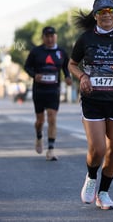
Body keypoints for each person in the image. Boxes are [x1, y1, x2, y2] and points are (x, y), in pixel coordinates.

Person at [68, 0, 113, 210]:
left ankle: (104, 193)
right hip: (93, 100)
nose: (106, 15)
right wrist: (82, 77)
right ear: (95, 16)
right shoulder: (85, 39)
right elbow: (71, 64)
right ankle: (91, 178)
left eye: (110, 11)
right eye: (101, 12)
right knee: (97, 149)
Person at [24, 26, 72, 161]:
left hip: (53, 90)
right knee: (40, 120)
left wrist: (68, 77)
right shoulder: (36, 51)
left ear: (56, 36)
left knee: (52, 118)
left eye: (52, 36)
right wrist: (34, 75)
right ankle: (39, 136)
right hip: (39, 91)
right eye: (47, 36)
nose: (50, 39)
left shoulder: (61, 52)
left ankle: (50, 150)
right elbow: (27, 67)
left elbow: (66, 67)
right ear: (43, 37)